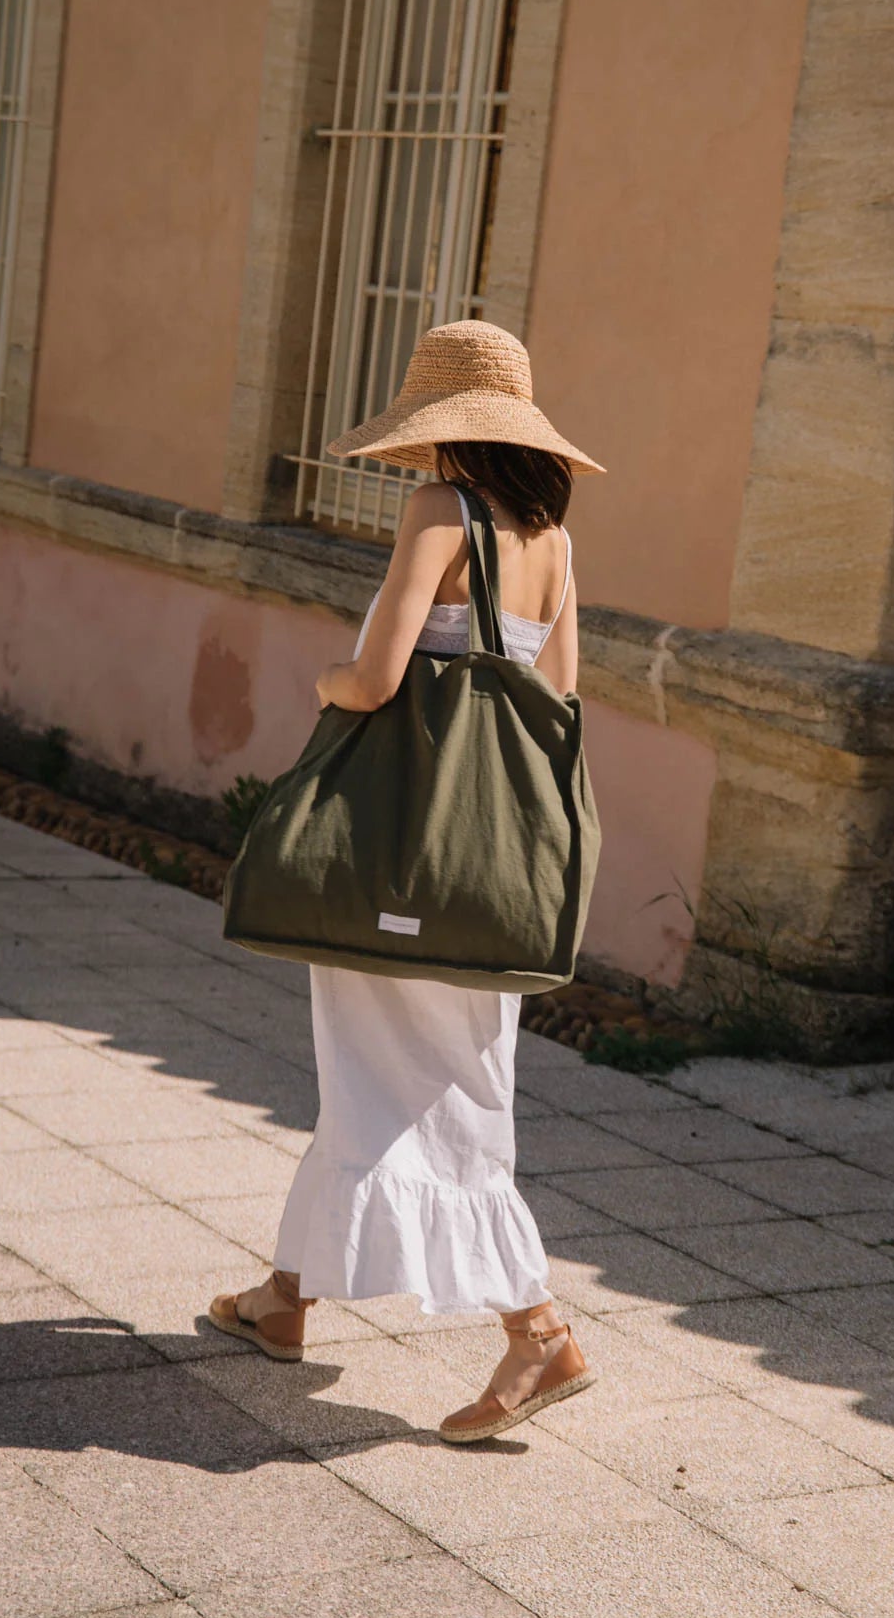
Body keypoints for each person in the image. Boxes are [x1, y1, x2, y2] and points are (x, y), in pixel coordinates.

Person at [208, 319, 606, 1443]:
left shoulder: (440, 513)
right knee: (425, 1085)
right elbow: (555, 708)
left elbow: (378, 679)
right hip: (491, 875)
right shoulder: (559, 546)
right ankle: (284, 1299)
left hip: (400, 859)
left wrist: (328, 680)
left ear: (442, 435)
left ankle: (539, 1331)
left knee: (404, 1094)